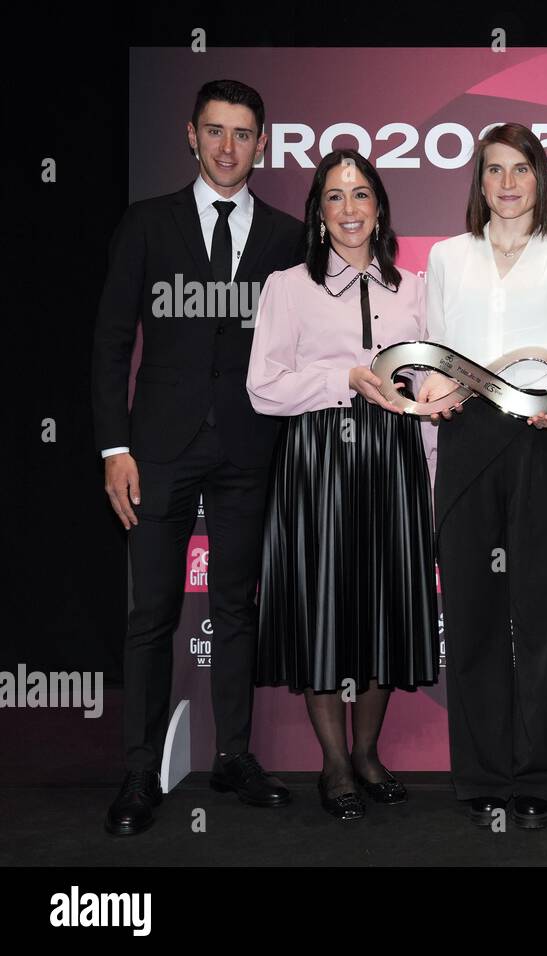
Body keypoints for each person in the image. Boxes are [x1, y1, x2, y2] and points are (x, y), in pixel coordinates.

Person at [92, 79, 301, 836]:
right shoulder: (148, 224)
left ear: (262, 144)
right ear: (190, 134)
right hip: (157, 451)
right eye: (214, 131)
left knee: (237, 608)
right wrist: (115, 446)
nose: (227, 147)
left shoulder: (285, 236)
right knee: (151, 613)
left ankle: (234, 757)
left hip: (250, 446)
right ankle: (140, 771)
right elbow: (114, 341)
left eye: (243, 134)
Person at [247, 149, 439, 822]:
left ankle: (367, 752)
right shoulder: (287, 287)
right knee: (323, 610)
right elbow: (264, 388)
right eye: (336, 197)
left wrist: (433, 479)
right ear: (318, 212)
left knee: (385, 608)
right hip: (319, 462)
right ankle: (332, 764)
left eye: (361, 195)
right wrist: (343, 380)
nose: (350, 209)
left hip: (394, 460)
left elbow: (429, 389)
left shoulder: (415, 288)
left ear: (379, 208)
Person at [417, 123, 547, 830]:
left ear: (540, 178)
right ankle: (483, 776)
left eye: (520, 169)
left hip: (539, 443)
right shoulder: (446, 257)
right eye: (494, 170)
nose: (507, 183)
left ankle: (542, 777)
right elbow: (432, 356)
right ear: (479, 181)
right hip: (465, 442)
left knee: (544, 618)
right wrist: (431, 392)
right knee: (472, 617)